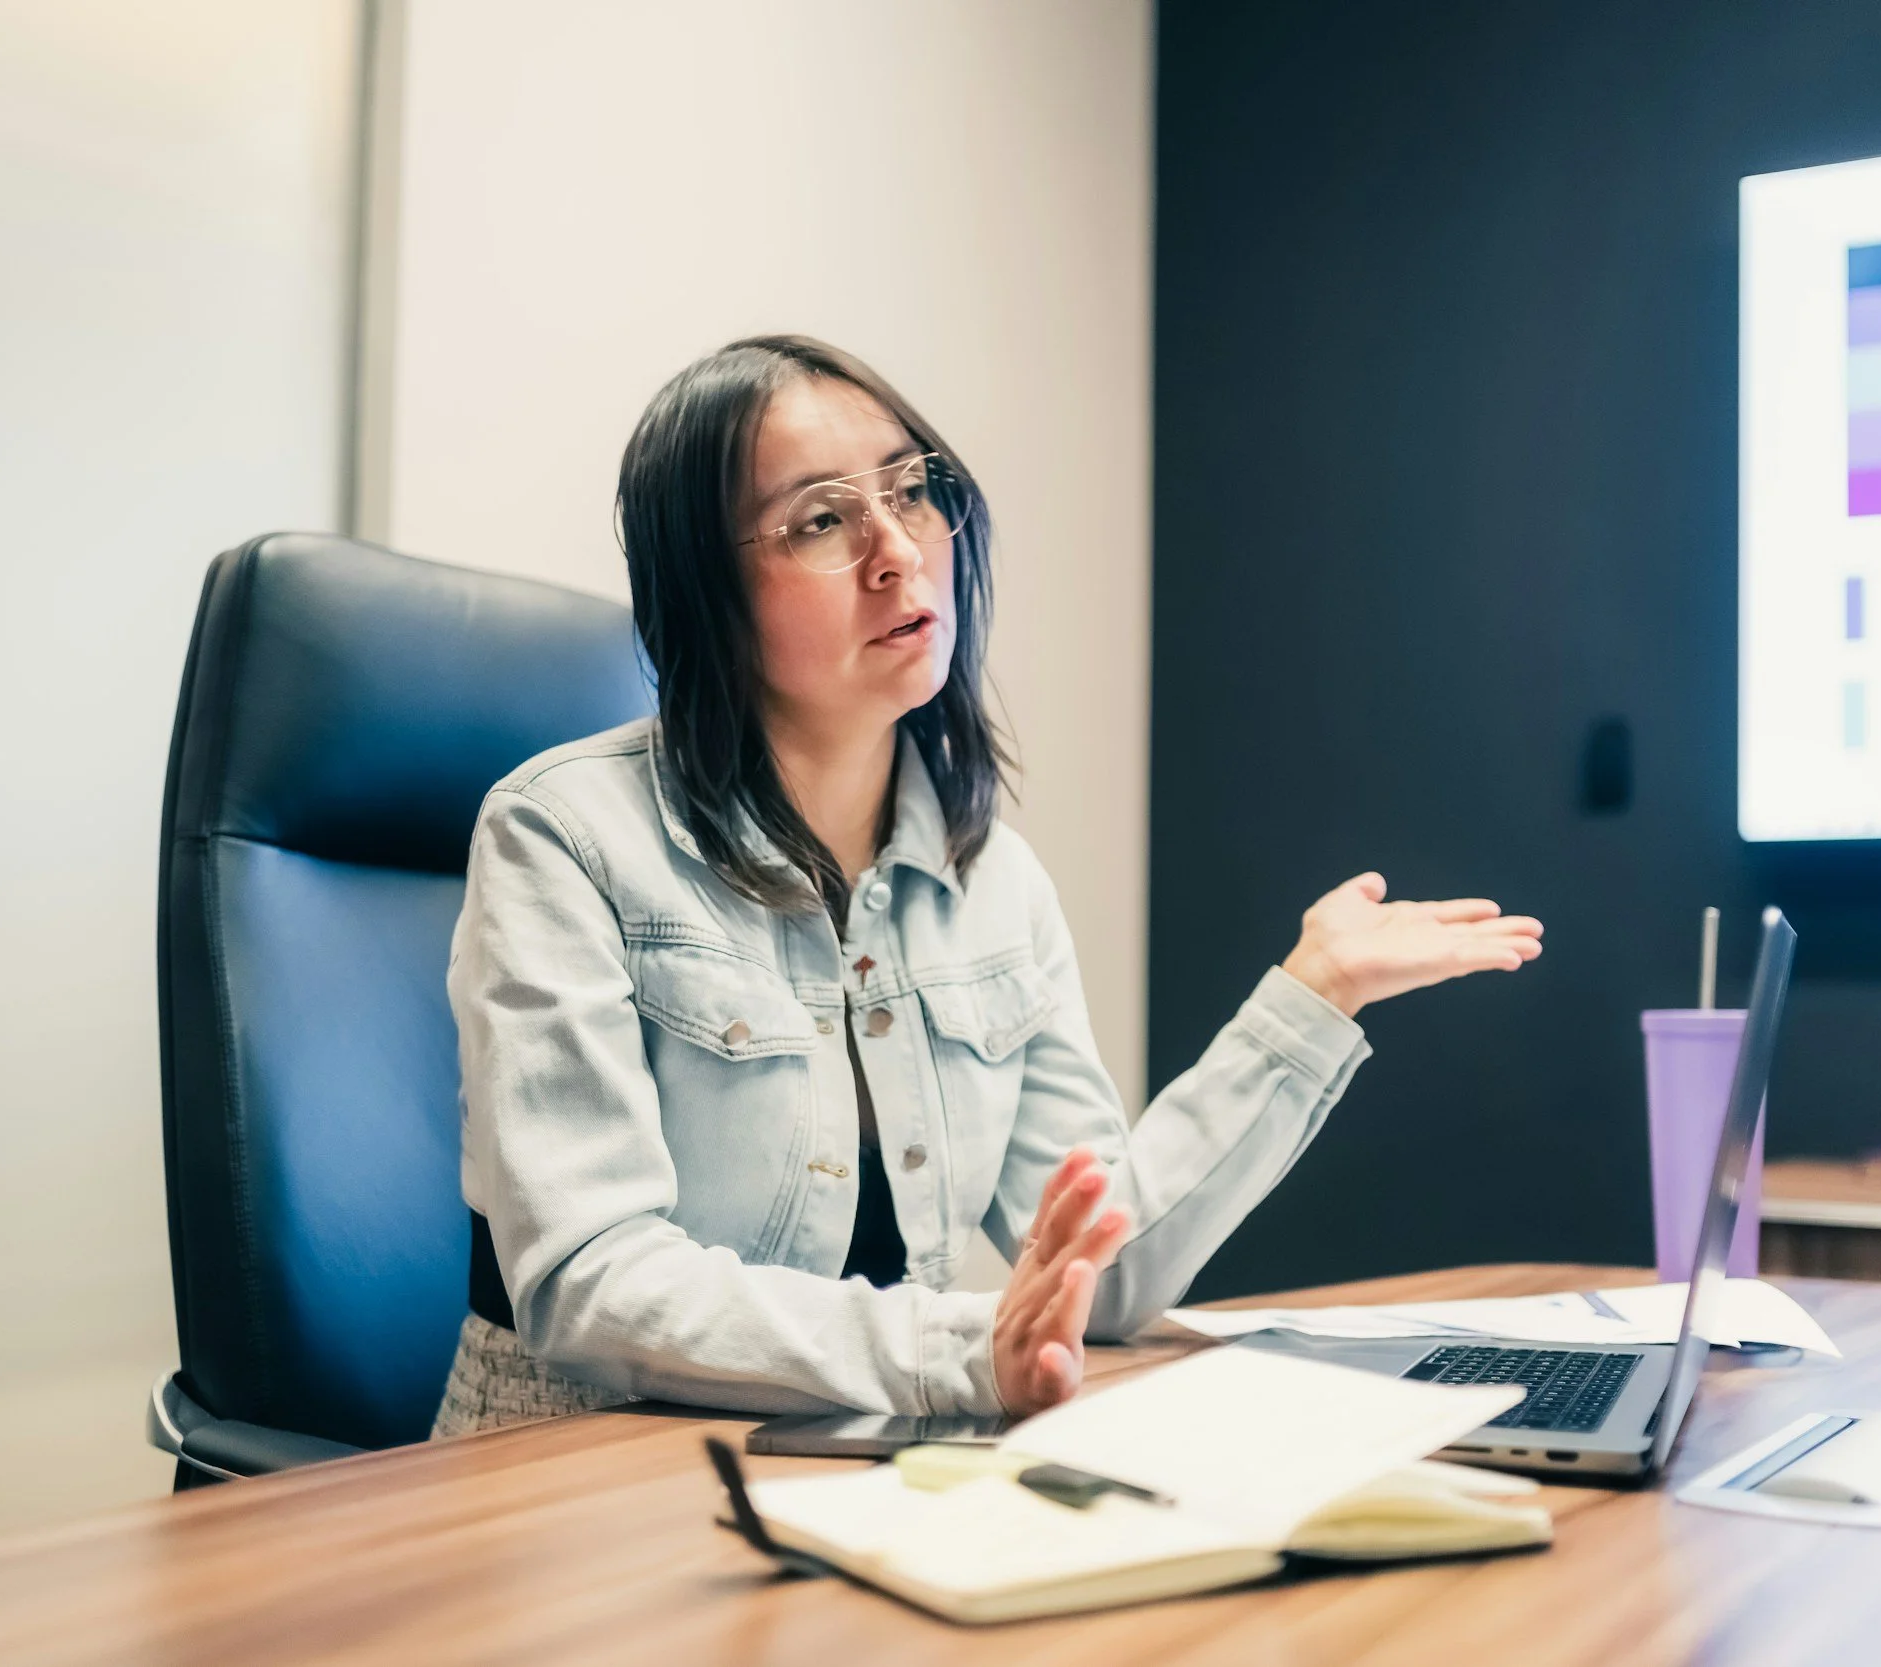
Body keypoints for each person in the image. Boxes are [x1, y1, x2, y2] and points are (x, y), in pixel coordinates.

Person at [432, 335, 1545, 1437]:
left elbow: (1102, 1274)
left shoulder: (993, 880)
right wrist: (961, 1350)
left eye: (911, 491)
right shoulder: (562, 834)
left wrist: (1314, 994)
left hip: (846, 1460)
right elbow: (593, 1277)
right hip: (565, 1476)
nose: (897, 550)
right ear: (705, 593)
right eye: (821, 519)